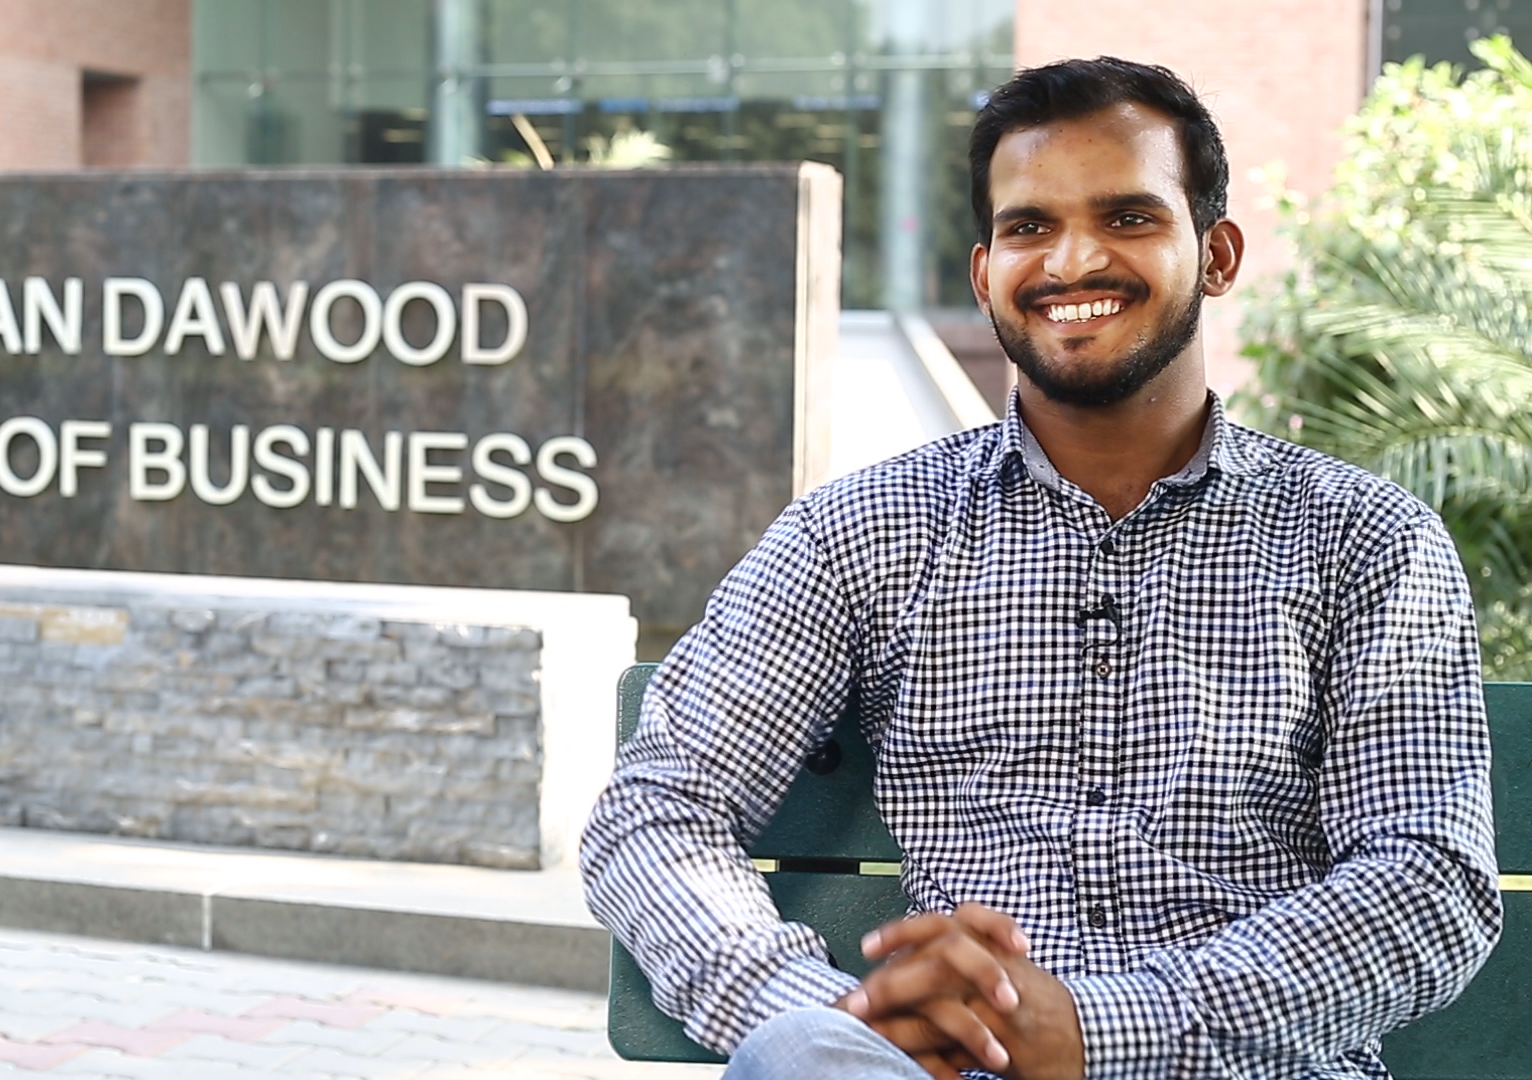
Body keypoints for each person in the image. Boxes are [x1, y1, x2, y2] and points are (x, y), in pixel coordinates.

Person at [580, 56, 1500, 1080]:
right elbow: (657, 812)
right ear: (984, 276)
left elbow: (1426, 882)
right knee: (803, 1055)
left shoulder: (1365, 542)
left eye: (1128, 217)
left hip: (1253, 1069)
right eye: (1027, 228)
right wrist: (843, 1015)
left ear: (1218, 251)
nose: (1071, 261)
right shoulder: (861, 532)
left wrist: (1102, 1029)